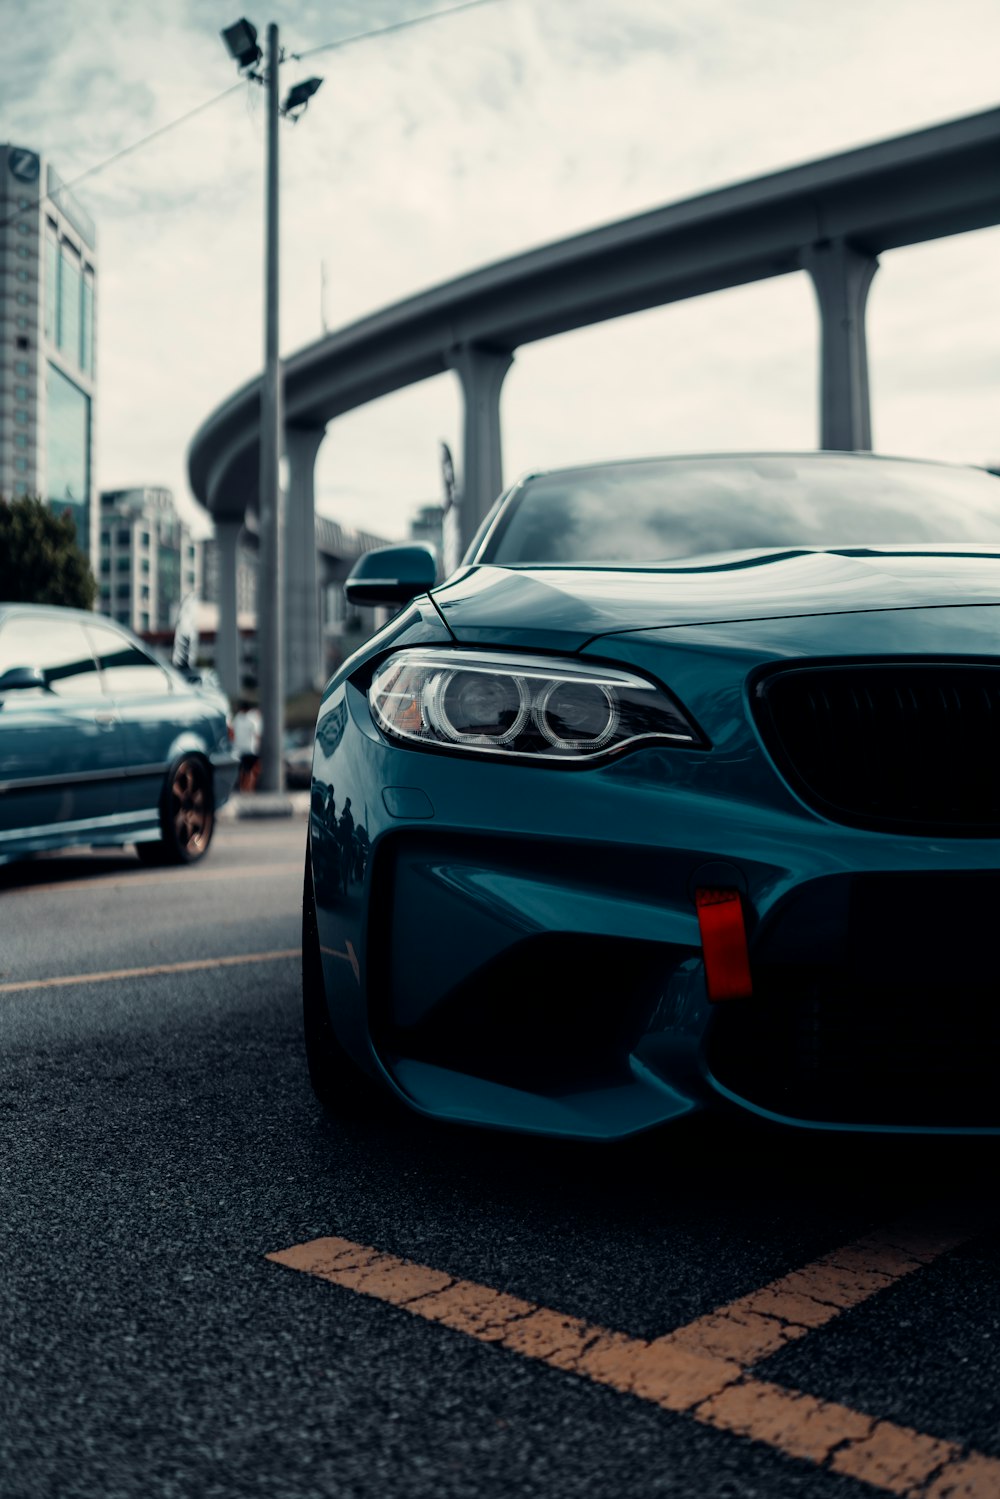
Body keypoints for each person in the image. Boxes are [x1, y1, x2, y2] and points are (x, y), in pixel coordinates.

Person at [232, 699, 262, 792]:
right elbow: (257, 735)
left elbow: (232, 733)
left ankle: (242, 787)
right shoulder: (251, 719)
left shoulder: (236, 719)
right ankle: (248, 788)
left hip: (238, 749)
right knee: (252, 770)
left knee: (242, 770)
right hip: (250, 749)